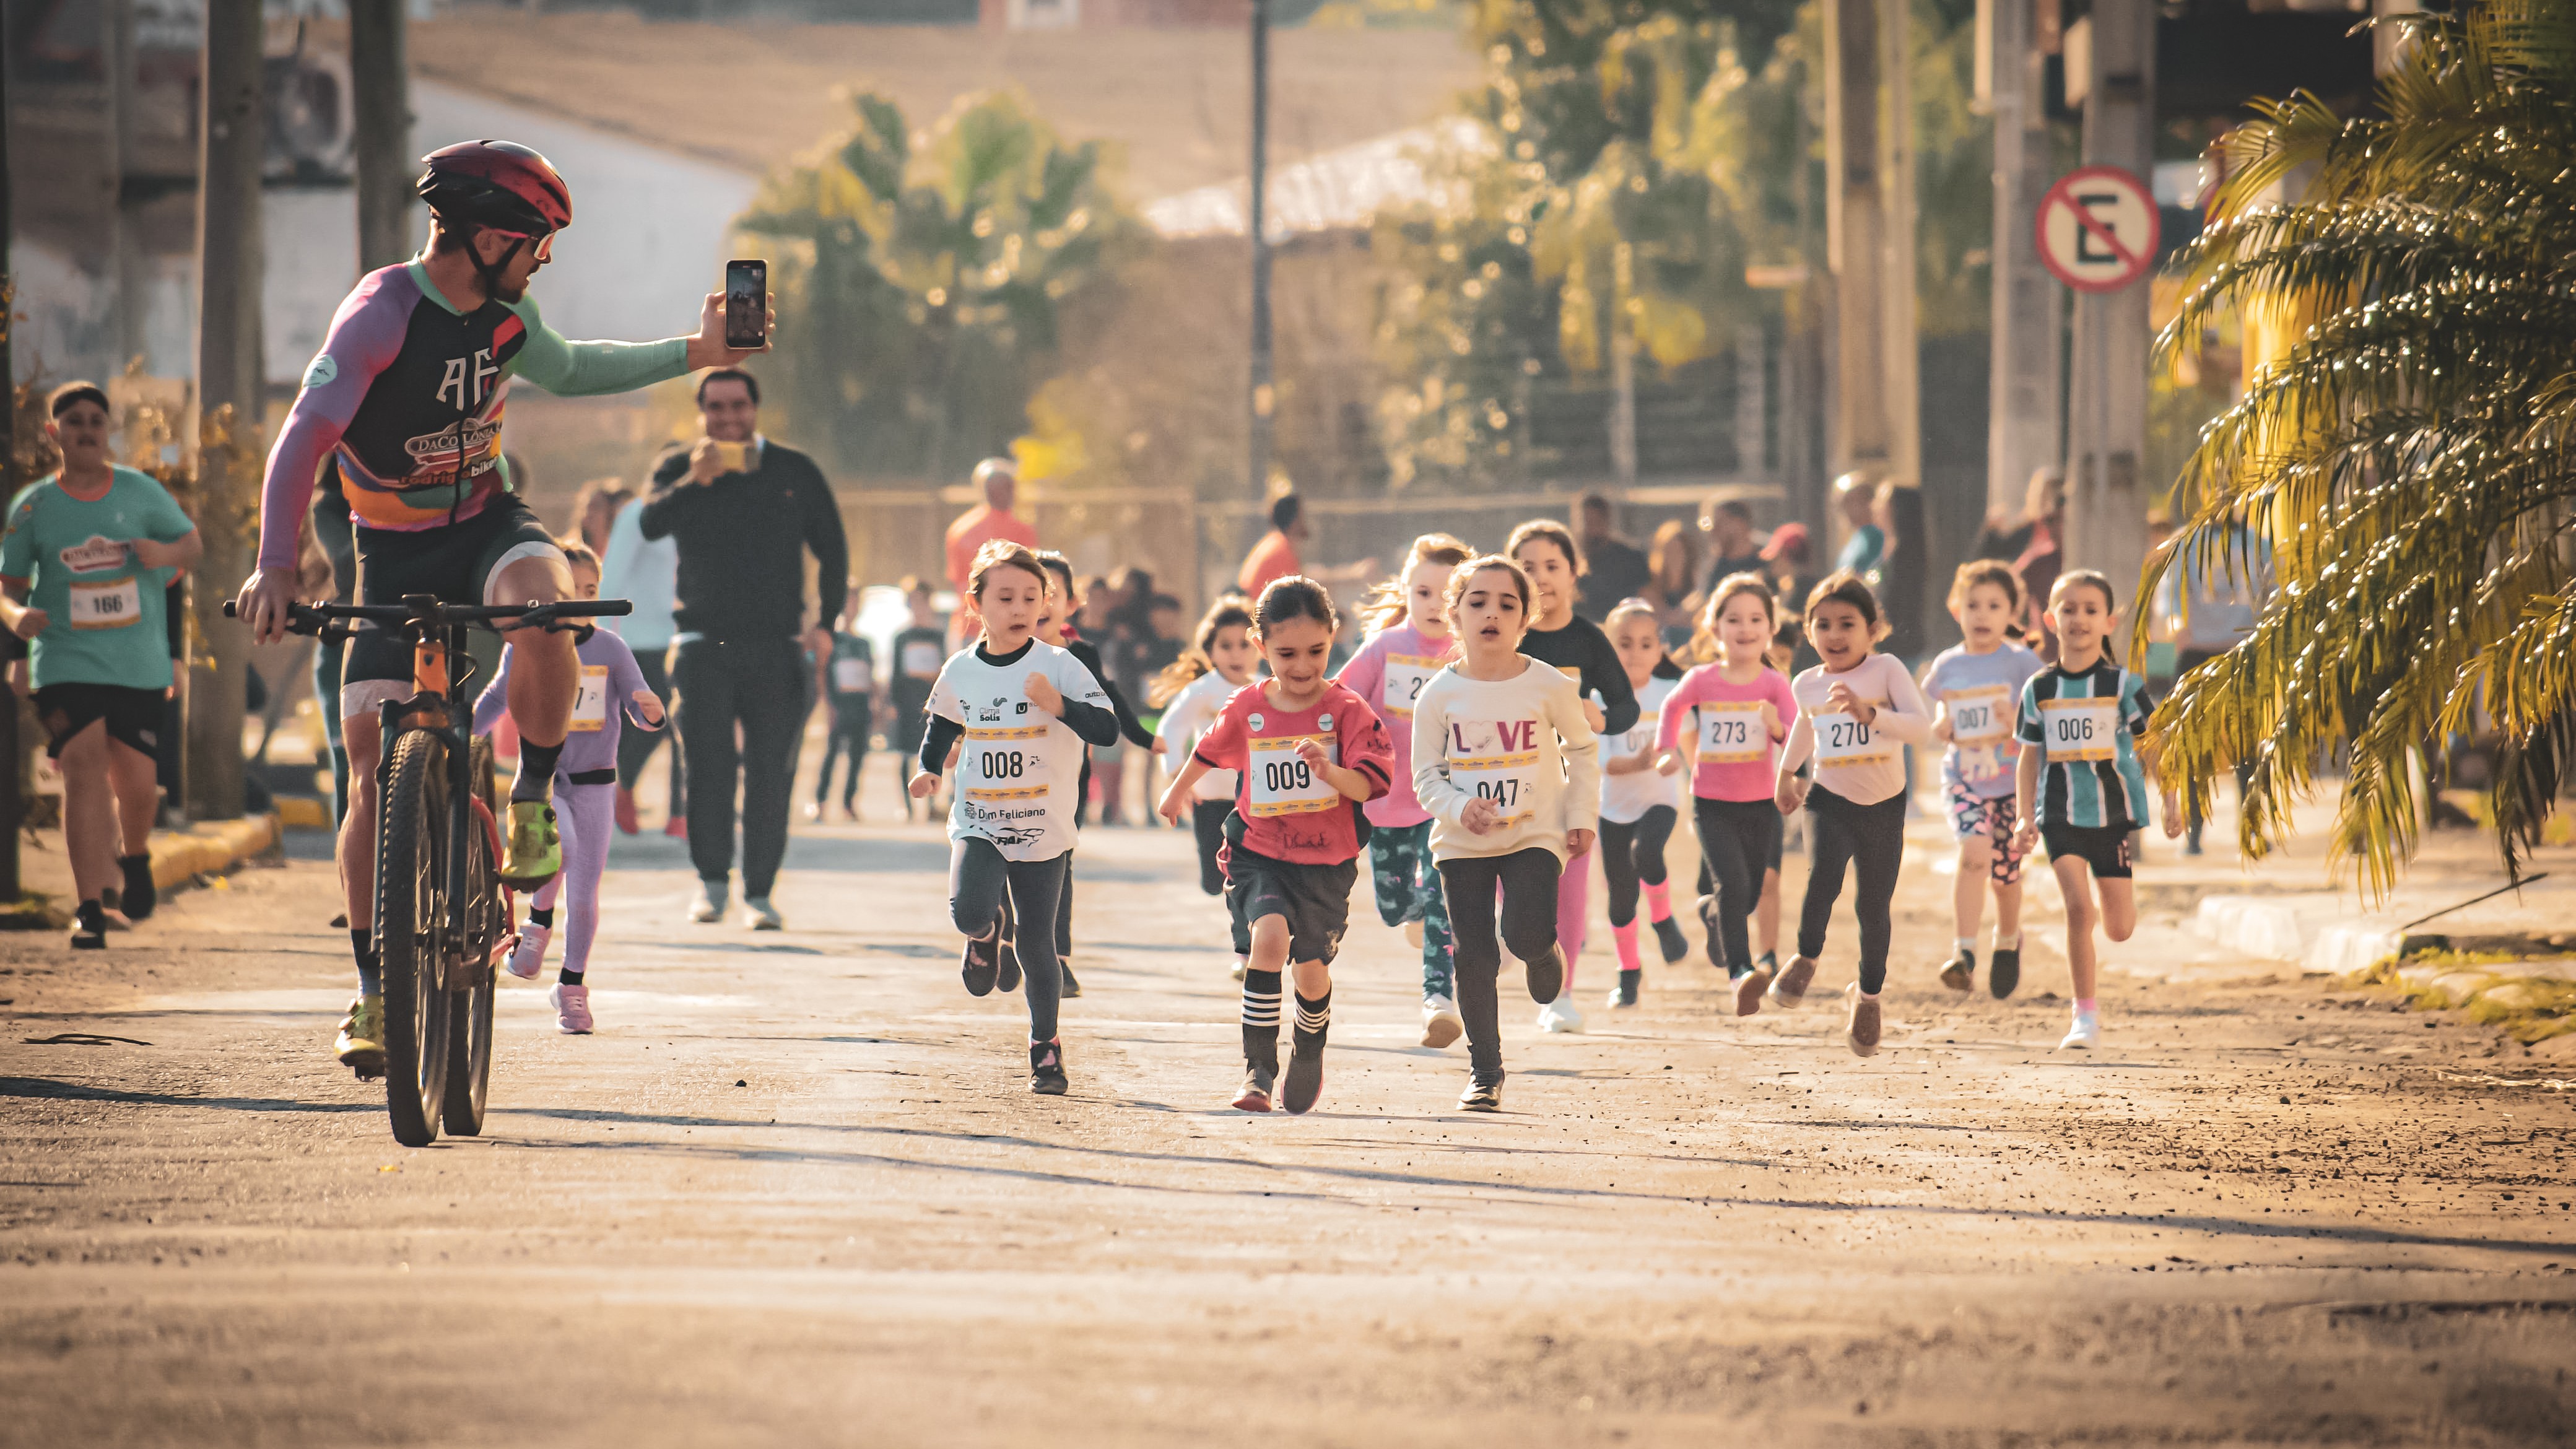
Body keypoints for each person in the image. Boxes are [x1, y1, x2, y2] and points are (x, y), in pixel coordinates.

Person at [236, 139, 763, 1074]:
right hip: (390, 550)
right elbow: (303, 436)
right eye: (539, 241)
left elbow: (579, 368)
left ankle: (528, 797)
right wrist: (277, 564)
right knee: (368, 769)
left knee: (545, 606)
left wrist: (697, 353)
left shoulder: (508, 316)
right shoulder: (380, 314)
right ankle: (372, 990)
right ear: (487, 238)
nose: (546, 258)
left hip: (487, 524)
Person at [1157, 577, 1393, 1114]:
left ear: (1334, 638)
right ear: (1261, 647)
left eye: (1316, 651)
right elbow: (1209, 750)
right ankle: (1258, 1070)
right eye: (1287, 654)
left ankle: (1309, 1044)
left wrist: (1328, 770)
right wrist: (1175, 794)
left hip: (1325, 864)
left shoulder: (1349, 710)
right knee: (1267, 940)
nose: (1303, 666)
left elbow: (1368, 787)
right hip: (1259, 852)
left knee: (1311, 970)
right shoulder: (1248, 706)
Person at [637, 367, 848, 931]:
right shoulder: (679, 466)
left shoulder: (793, 470)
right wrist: (694, 483)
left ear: (756, 408)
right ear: (702, 411)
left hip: (776, 645)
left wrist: (826, 622)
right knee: (706, 768)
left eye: (738, 406)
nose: (728, 418)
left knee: (770, 772)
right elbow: (651, 524)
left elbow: (833, 548)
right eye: (716, 408)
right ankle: (711, 884)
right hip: (704, 644)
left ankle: (760, 892)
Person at [909, 541, 1118, 1095]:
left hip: (1043, 830)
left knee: (1037, 946)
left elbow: (1106, 729)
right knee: (968, 909)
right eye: (1005, 597)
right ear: (975, 602)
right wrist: (929, 770)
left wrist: (1060, 706)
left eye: (1032, 597)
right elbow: (942, 726)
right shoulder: (961, 669)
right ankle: (983, 933)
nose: (1021, 608)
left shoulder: (1059, 666)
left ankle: (1045, 1048)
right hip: (979, 818)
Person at [1, 382, 202, 948]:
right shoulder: (34, 506)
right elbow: (8, 584)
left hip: (136, 662)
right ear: (53, 434)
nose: (86, 430)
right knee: (84, 770)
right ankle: (88, 906)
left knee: (138, 785)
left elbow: (192, 547)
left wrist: (162, 555)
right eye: (74, 422)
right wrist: (16, 628)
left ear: (108, 431)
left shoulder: (141, 493)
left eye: (95, 421)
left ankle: (134, 859)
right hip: (63, 658)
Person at [1414, 555, 1598, 1112]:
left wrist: (1581, 816)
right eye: (1477, 602)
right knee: (1473, 954)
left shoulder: (1547, 684)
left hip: (1533, 834)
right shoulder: (1438, 696)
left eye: (1507, 604)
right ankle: (1486, 1070)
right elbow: (1426, 775)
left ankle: (1544, 954)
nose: (1491, 613)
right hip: (1461, 841)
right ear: (1456, 615)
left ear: (1525, 620)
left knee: (1521, 933)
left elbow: (1583, 750)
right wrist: (1457, 807)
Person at [480, 539, 664, 1033]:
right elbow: (498, 697)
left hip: (596, 785)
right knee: (563, 847)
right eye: (571, 591)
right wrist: (458, 734)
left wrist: (652, 712)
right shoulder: (528, 644)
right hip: (546, 783)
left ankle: (571, 989)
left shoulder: (610, 647)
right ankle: (539, 923)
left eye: (591, 591)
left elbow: (638, 703)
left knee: (585, 897)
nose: (581, 602)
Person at [2013, 570, 2180, 1051]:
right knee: (2076, 908)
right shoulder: (2039, 689)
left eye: (2090, 611)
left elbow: (2154, 745)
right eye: (2068, 610)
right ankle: (2083, 1016)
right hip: (2059, 812)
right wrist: (2026, 816)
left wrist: (2171, 798)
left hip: (2112, 816)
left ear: (2109, 622)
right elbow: (2028, 756)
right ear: (2050, 619)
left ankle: (2109, 937)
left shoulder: (2123, 685)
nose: (2078, 620)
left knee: (2119, 928)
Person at [1771, 571, 1932, 1057]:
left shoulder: (1886, 671)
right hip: (1829, 796)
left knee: (1872, 907)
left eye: (1847, 623)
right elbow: (1805, 725)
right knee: (1822, 877)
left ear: (1872, 629)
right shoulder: (1807, 684)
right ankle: (1806, 957)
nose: (1835, 635)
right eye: (1823, 625)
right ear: (1809, 631)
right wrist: (1786, 773)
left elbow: (1921, 729)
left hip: (1884, 805)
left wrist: (1871, 715)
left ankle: (1868, 997)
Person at [1335, 533, 1471, 1046]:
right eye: (1422, 593)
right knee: (1395, 907)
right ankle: (1421, 915)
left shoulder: (1468, 655)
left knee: (1440, 896)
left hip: (1445, 803)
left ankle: (1439, 999)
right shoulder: (1386, 648)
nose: (1434, 606)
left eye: (1446, 595)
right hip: (1386, 803)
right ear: (1406, 592)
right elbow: (1340, 701)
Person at [1505, 519, 1636, 1035]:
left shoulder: (1587, 640)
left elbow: (1624, 707)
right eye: (1528, 567)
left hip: (1570, 788)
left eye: (1552, 566)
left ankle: (1560, 996)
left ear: (1574, 572)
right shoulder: (1502, 636)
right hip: (1504, 789)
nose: (1540, 578)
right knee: (1510, 887)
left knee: (1569, 893)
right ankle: (1509, 937)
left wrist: (1600, 716)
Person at [1656, 574, 1796, 1005]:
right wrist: (1667, 750)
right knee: (1733, 884)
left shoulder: (1774, 684)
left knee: (1750, 893)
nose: (1745, 628)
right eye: (1733, 619)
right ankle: (1741, 972)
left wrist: (1777, 729)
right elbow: (1672, 706)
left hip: (1761, 803)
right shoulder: (1702, 679)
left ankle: (1713, 912)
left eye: (1756, 619)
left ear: (1771, 629)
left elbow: (1798, 733)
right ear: (1714, 628)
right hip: (1713, 804)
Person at [1030, 551, 1157, 993]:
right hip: (1004, 785)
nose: (1040, 602)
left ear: (1071, 603)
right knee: (1005, 858)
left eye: (1052, 593)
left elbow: (1111, 700)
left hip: (1067, 780)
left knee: (1058, 861)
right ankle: (1000, 933)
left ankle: (1057, 957)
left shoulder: (1079, 654)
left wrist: (1144, 738)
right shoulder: (993, 654)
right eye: (1029, 592)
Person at [1921, 561, 2044, 998]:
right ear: (1957, 608)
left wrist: (2016, 719)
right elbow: (1943, 704)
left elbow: (2044, 715)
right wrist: (1941, 724)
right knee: (1974, 854)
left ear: (2012, 612)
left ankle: (2008, 940)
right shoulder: (1948, 663)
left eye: (1994, 606)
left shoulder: (2022, 663)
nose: (1982, 615)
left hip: (2014, 784)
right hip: (1965, 779)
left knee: (2005, 877)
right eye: (1973, 605)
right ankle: (1964, 952)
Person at [1148, 598, 1260, 973]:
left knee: (1245, 876)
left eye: (1244, 644)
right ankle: (1245, 932)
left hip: (1252, 804)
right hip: (1208, 800)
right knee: (1215, 880)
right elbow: (1171, 727)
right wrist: (1177, 773)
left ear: (1260, 644)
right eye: (1225, 645)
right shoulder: (1203, 690)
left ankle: (1246, 951)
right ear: (1209, 649)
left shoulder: (1265, 691)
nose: (1236, 654)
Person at [1595, 599, 1692, 1007]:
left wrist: (1674, 760)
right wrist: (1635, 763)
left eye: (1646, 644)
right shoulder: (1599, 698)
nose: (1635, 653)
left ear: (1660, 650)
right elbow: (1602, 762)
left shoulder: (1671, 694)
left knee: (1647, 851)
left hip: (1660, 800)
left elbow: (1685, 744)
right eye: (1625, 643)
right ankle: (1628, 971)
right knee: (1620, 898)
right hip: (1614, 808)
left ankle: (1664, 920)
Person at [2155, 520, 2268, 853]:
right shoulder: (2186, 542)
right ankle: (2194, 832)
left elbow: (2273, 587)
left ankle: (2252, 828)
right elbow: (2169, 592)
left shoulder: (2257, 542)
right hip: (2195, 652)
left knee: (2247, 747)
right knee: (2193, 748)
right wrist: (2177, 628)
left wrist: (2264, 631)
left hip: (2243, 650)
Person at [599, 471, 684, 837]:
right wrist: (600, 639)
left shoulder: (695, 513)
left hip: (682, 637)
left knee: (686, 726)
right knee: (652, 722)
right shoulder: (637, 514)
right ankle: (624, 786)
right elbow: (613, 577)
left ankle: (680, 815)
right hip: (639, 640)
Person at [942, 458, 1040, 643]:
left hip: (1017, 627)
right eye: (1000, 487)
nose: (1008, 493)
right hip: (973, 629)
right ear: (985, 489)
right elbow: (958, 583)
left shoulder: (1024, 531)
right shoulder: (963, 532)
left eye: (1010, 486)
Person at [810, 585, 875, 822]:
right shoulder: (832, 639)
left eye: (856, 602)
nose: (852, 607)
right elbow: (823, 673)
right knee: (831, 755)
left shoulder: (864, 643)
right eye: (848, 602)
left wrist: (875, 704)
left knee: (857, 757)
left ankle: (849, 803)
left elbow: (870, 676)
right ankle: (820, 802)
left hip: (860, 704)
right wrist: (829, 706)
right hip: (839, 704)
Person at [1237, 490, 1377, 600]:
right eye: (1302, 516)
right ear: (1294, 521)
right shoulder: (1281, 550)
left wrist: (1351, 574)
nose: (1306, 520)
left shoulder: (1274, 543)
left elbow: (1307, 577)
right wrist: (1352, 576)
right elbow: (1303, 589)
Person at [888, 578, 947, 820]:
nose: (919, 607)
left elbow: (945, 670)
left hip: (931, 703)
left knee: (933, 751)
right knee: (905, 753)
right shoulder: (901, 637)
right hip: (906, 701)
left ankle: (932, 804)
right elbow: (896, 672)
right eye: (914, 602)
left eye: (923, 601)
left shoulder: (937, 636)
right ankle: (908, 806)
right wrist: (892, 702)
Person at [1572, 492, 1648, 621]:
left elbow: (1644, 597)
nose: (1593, 529)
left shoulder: (1631, 558)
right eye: (1588, 522)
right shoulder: (1569, 560)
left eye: (1598, 521)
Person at [1642, 519, 1702, 652]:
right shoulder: (1650, 588)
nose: (1674, 556)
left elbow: (1699, 621)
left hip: (1689, 652)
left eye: (1679, 551)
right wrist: (1683, 613)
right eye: (1669, 550)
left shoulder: (1696, 586)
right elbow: (1658, 620)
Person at [1699, 498, 1766, 596]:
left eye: (1720, 524)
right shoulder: (1715, 568)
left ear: (1740, 524)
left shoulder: (1768, 563)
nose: (1714, 532)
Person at [1830, 472, 1887, 579]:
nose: (1844, 508)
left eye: (1849, 501)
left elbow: (1877, 577)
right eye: (1842, 503)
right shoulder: (1855, 539)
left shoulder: (1876, 538)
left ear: (1867, 501)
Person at [568, 477, 631, 562]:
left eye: (597, 507)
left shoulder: (623, 557)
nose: (589, 513)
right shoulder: (572, 556)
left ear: (611, 513)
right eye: (587, 507)